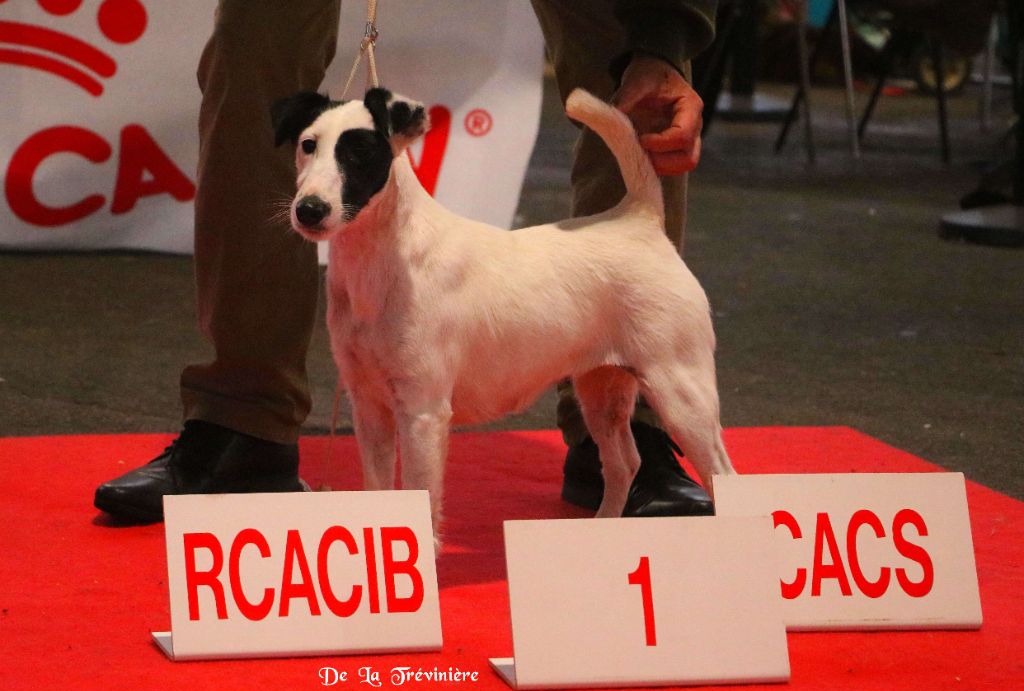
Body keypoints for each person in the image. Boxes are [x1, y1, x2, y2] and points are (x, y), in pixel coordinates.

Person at [93, 0, 719, 523]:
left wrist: (662, 39)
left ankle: (633, 438)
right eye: (308, 152)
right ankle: (241, 419)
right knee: (256, 46)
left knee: (627, 44)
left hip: (626, 281)